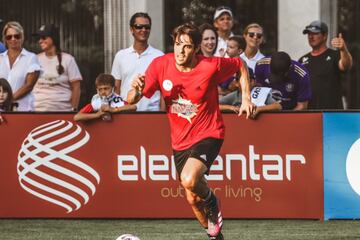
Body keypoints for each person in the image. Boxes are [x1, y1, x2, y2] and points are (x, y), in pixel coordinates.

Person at [127, 23, 255, 240]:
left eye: (186, 46)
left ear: (196, 48)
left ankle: (213, 201)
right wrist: (135, 90)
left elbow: (240, 64)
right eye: (177, 45)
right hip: (180, 142)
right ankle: (215, 236)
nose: (180, 51)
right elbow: (132, 99)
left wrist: (246, 97)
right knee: (192, 199)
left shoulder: (210, 65)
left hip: (209, 132)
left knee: (189, 179)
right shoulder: (160, 65)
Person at [111, 12, 164, 111]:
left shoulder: (159, 56)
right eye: (139, 27)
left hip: (152, 115)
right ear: (131, 29)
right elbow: (116, 89)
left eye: (147, 27)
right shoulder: (120, 56)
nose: (143, 30)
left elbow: (163, 91)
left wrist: (162, 116)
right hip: (125, 114)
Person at [299, 20, 353, 109]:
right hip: (309, 114)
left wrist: (343, 49)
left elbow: (346, 65)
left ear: (324, 36)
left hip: (332, 114)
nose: (311, 37)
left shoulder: (335, 55)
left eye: (315, 33)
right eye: (309, 34)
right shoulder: (302, 60)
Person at [32, 24, 82, 112]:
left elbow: (76, 88)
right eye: (38, 38)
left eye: (43, 37)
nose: (40, 41)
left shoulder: (68, 59)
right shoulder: (35, 59)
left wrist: (73, 110)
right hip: (37, 110)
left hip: (62, 110)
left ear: (53, 38)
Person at [0, 21, 41, 111]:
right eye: (9, 37)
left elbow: (29, 86)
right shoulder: (0, 59)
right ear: (5, 39)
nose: (13, 39)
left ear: (22, 37)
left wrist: (8, 101)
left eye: (17, 36)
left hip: (23, 110)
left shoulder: (31, 58)